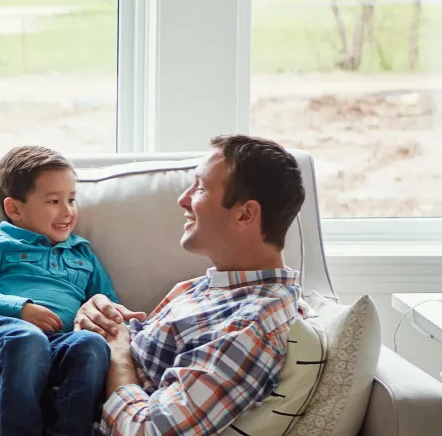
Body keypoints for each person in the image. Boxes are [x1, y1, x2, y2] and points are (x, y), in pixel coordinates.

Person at [74, 134, 309, 436]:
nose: (183, 199)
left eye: (200, 187)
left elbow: (151, 432)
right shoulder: (209, 288)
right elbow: (141, 355)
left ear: (245, 214)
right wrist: (106, 319)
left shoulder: (252, 325)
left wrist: (116, 354)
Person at [0, 146, 116, 436]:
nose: (67, 211)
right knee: (28, 339)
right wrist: (22, 309)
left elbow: (106, 304)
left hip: (59, 344)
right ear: (14, 209)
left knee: (91, 347)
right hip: (0, 338)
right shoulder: (1, 243)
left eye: (71, 200)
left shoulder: (82, 254)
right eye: (54, 201)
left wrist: (114, 317)